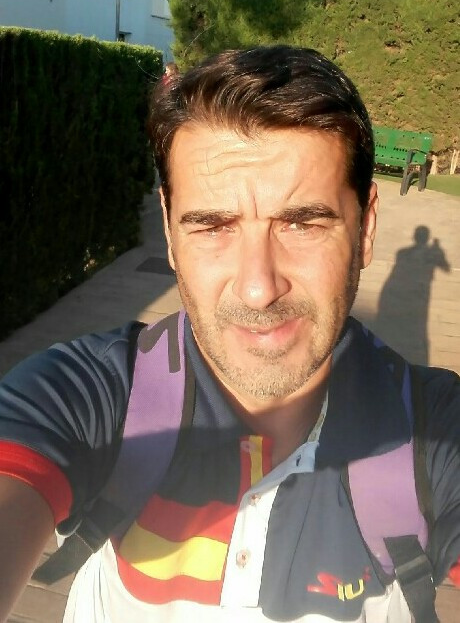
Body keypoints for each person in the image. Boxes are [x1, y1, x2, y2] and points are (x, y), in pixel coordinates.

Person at [0, 46, 459, 623]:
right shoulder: (79, 397)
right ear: (169, 230)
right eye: (213, 226)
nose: (258, 288)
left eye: (302, 222)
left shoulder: (437, 433)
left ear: (365, 227)